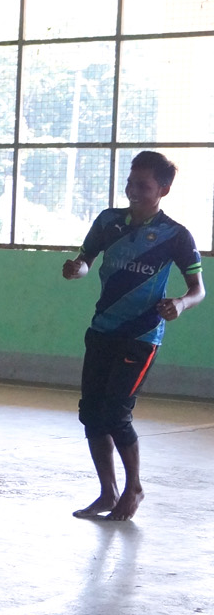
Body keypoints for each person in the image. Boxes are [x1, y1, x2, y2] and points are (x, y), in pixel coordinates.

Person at [64, 151, 204, 522]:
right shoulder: (108, 221)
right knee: (91, 414)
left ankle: (134, 488)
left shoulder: (176, 235)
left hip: (141, 337)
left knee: (116, 414)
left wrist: (181, 303)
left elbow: (198, 290)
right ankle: (107, 492)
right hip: (102, 329)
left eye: (143, 185)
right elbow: (85, 260)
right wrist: (76, 269)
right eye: (130, 183)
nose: (133, 191)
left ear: (163, 190)